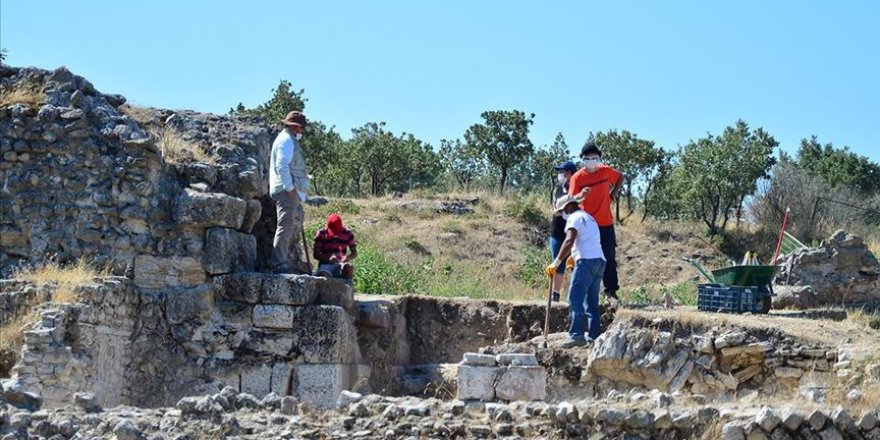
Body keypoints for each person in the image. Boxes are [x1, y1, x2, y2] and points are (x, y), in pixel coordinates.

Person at [545, 194, 606, 347]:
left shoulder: (574, 218)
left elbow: (569, 239)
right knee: (591, 301)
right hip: (599, 261)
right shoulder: (589, 218)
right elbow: (586, 240)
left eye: (563, 211)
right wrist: (574, 255)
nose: (562, 215)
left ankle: (577, 335)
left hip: (586, 262)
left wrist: (556, 262)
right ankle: (594, 338)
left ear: (568, 207)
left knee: (575, 298)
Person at [568, 141, 624, 301]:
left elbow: (620, 177)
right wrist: (581, 196)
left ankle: (610, 292)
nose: (591, 161)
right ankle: (585, 292)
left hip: (605, 222)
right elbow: (572, 199)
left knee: (609, 257)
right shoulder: (577, 178)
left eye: (594, 158)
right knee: (585, 258)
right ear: (582, 159)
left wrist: (613, 193)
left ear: (599, 158)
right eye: (588, 158)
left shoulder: (605, 171)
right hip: (587, 225)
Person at [269, 111, 309, 274]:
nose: (302, 131)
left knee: (287, 225)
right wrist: (290, 188)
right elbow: (281, 166)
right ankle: (279, 263)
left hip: (286, 189)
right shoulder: (286, 140)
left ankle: (281, 261)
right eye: (301, 127)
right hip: (285, 191)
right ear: (294, 126)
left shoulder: (287, 139)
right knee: (285, 226)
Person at [548, 160, 578, 302]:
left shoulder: (578, 189)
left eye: (563, 171)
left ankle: (574, 297)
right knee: (557, 264)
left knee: (575, 264)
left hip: (573, 232)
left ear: (570, 173)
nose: (560, 174)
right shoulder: (558, 189)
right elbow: (555, 210)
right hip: (557, 230)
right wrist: (561, 212)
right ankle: (555, 297)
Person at [313, 213, 358, 280]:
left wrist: (347, 258)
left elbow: (354, 253)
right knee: (324, 276)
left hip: (340, 264)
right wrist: (328, 259)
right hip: (326, 265)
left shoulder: (348, 234)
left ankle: (348, 288)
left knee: (349, 268)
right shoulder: (321, 234)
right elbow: (316, 254)